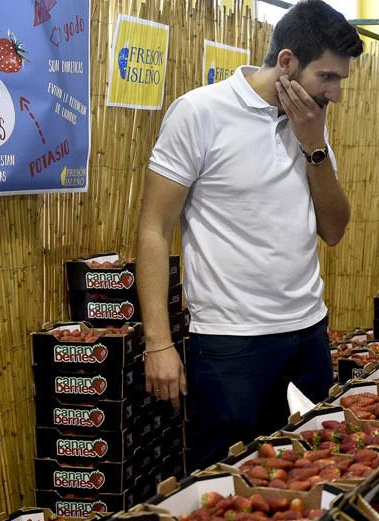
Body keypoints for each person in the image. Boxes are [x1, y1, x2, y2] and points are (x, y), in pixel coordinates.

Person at [135, 0, 363, 468]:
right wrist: (158, 343)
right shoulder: (199, 112)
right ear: (286, 63)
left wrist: (314, 146)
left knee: (320, 473)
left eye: (340, 79)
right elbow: (154, 230)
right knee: (228, 488)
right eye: (327, 77)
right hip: (228, 345)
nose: (336, 93)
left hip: (308, 334)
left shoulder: (310, 123)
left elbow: (335, 229)